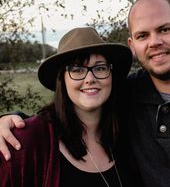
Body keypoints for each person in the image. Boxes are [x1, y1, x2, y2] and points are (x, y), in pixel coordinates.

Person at [1, 0, 170, 186]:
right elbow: (70, 110)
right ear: (133, 46)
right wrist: (12, 121)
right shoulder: (128, 92)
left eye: (164, 29)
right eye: (143, 35)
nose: (154, 42)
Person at [0, 27, 143, 187]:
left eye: (100, 68)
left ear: (111, 76)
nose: (90, 78)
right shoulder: (27, 142)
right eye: (77, 69)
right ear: (62, 79)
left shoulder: (128, 132)